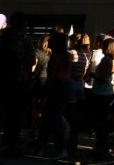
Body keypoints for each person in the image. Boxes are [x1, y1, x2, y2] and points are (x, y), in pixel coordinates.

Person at [0, 11, 37, 157]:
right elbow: (30, 63)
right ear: (23, 24)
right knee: (14, 115)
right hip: (16, 83)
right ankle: (11, 144)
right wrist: (27, 82)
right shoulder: (25, 40)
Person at [31, 32, 73, 160]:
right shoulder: (67, 56)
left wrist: (45, 94)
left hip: (56, 87)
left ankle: (60, 148)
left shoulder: (55, 57)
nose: (49, 42)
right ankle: (40, 146)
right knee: (49, 118)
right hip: (65, 87)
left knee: (52, 119)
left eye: (52, 40)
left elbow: (51, 77)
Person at [89, 36, 114, 158]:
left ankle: (105, 141)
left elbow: (102, 77)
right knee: (102, 119)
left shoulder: (106, 60)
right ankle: (102, 145)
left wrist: (92, 74)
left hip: (100, 93)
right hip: (109, 93)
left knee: (95, 120)